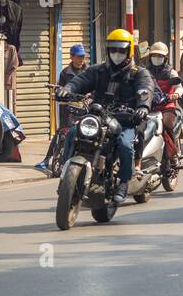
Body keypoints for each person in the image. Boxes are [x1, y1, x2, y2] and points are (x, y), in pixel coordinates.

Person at [55, 29, 154, 203]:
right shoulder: (98, 70)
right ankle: (65, 174)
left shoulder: (139, 72)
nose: (117, 54)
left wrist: (143, 107)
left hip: (126, 119)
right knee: (72, 133)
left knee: (125, 145)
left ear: (129, 51)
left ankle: (124, 181)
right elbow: (80, 81)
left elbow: (145, 90)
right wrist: (67, 89)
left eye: (121, 50)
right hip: (99, 116)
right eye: (113, 50)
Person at [37, 44, 89, 172]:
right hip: (68, 107)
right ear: (72, 57)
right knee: (61, 132)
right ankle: (47, 159)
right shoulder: (65, 73)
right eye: (78, 56)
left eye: (83, 56)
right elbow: (62, 88)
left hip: (84, 107)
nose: (81, 59)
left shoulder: (89, 71)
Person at [145, 41, 181, 163]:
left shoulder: (171, 72)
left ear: (165, 58)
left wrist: (175, 94)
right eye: (154, 55)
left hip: (167, 106)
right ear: (150, 57)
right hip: (149, 106)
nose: (157, 58)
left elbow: (179, 87)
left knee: (167, 124)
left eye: (160, 56)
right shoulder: (145, 72)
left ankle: (173, 153)